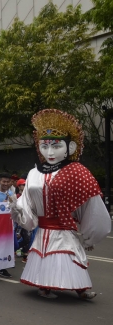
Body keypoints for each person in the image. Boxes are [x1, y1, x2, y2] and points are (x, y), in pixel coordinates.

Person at [10, 109, 110, 299]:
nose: (50, 152)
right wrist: (17, 209)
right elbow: (28, 202)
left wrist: (91, 234)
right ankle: (45, 287)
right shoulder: (34, 173)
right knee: (47, 257)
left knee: (69, 257)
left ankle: (80, 289)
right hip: (44, 227)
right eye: (44, 146)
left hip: (65, 226)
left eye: (56, 146)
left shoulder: (77, 170)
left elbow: (91, 202)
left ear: (70, 147)